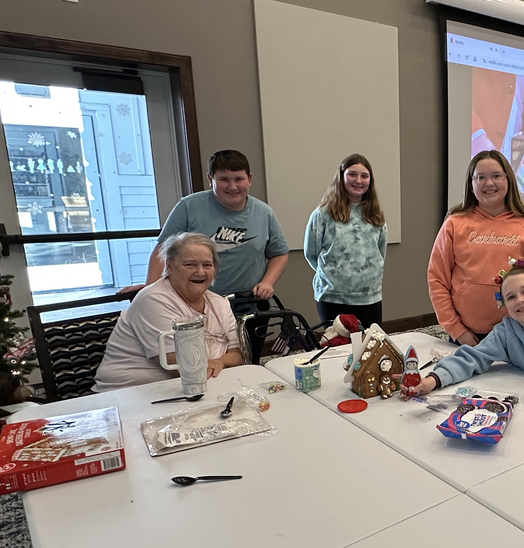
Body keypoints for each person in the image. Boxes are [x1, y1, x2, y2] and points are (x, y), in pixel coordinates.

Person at [403, 260, 524, 397]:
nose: (520, 300)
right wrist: (433, 380)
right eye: (511, 297)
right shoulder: (507, 331)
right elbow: (473, 357)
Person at [141, 150, 289, 313]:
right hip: (197, 301)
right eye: (224, 179)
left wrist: (267, 282)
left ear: (249, 180)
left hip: (249, 302)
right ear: (211, 180)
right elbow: (162, 251)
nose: (232, 187)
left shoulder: (264, 212)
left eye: (239, 179)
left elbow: (279, 253)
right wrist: (151, 294)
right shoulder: (188, 207)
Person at [428, 150, 524, 346]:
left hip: (516, 333)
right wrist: (457, 330)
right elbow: (437, 279)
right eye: (481, 177)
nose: (489, 183)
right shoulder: (454, 224)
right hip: (467, 334)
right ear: (471, 184)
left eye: (496, 176)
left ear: (508, 180)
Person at [94, 233, 242, 391]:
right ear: (170, 266)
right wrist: (221, 361)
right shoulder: (153, 300)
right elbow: (181, 368)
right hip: (131, 392)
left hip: (196, 388)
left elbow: (238, 356)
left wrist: (220, 362)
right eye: (190, 265)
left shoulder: (220, 303)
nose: (200, 272)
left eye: (207, 265)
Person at [304, 153, 387, 327]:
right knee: (336, 349)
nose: (358, 180)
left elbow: (380, 253)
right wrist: (333, 276)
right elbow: (311, 253)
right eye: (352, 174)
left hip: (369, 297)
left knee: (368, 349)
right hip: (333, 297)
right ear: (341, 177)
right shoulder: (323, 214)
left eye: (364, 176)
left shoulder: (376, 215)